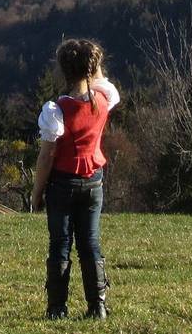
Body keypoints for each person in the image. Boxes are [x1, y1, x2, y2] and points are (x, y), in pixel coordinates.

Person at [31, 38, 120, 320]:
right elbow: (103, 82)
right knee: (90, 243)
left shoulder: (56, 110)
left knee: (60, 244)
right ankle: (98, 306)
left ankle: (57, 308)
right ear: (93, 68)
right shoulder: (105, 98)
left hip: (62, 183)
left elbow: (46, 158)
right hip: (94, 179)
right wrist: (95, 69)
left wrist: (36, 192)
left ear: (62, 71)